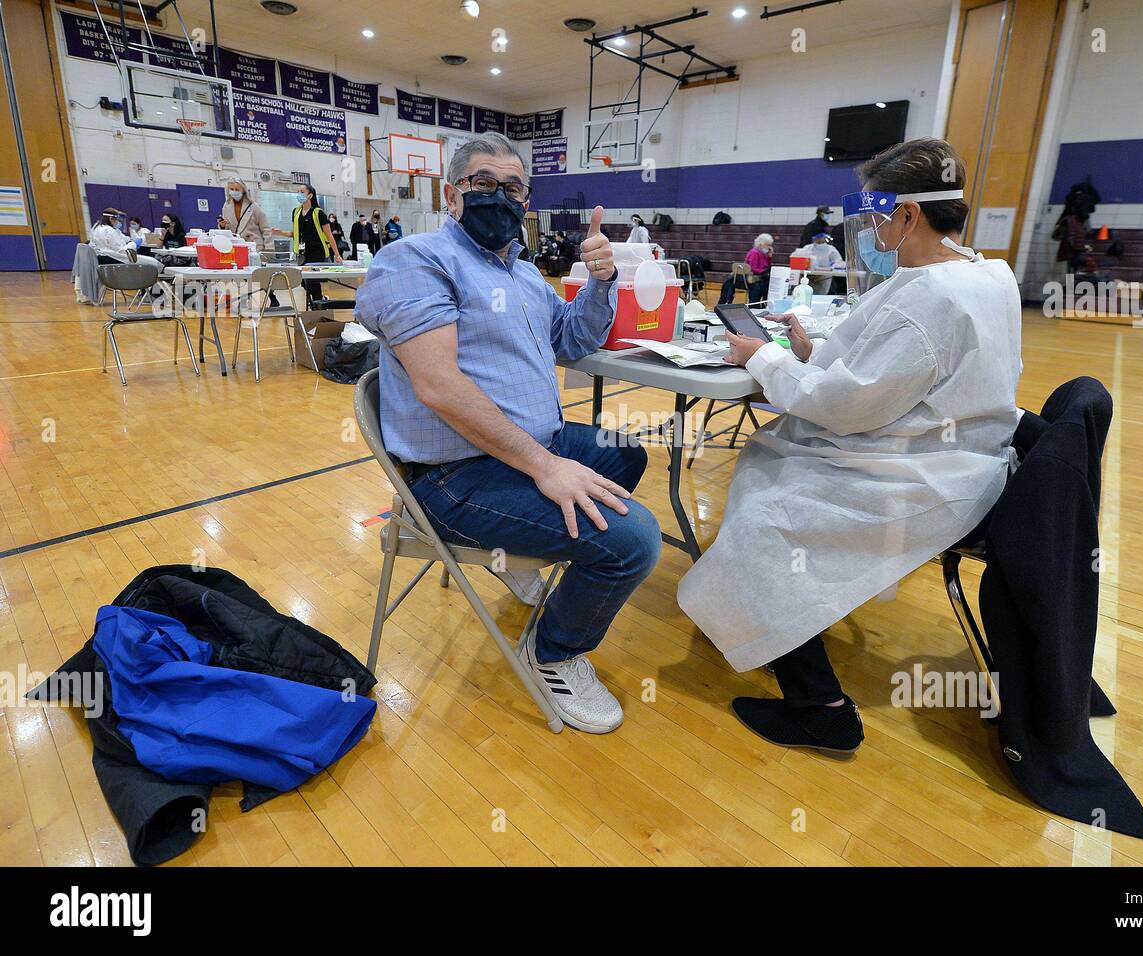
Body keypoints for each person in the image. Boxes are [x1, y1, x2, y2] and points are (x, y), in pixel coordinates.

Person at [677, 138, 1023, 754]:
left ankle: (821, 708)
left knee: (767, 523)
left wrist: (764, 358)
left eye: (876, 217)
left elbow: (847, 404)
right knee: (768, 465)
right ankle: (768, 615)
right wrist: (808, 351)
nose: (870, 230)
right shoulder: (984, 272)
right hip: (953, 449)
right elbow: (887, 367)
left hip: (927, 472)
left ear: (909, 215)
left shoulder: (933, 295)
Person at [354, 133, 661, 735]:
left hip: (528, 448)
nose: (501, 197)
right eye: (484, 185)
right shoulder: (415, 260)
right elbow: (438, 386)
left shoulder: (521, 273)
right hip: (454, 477)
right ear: (451, 195)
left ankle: (521, 555)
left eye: (513, 188)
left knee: (624, 454)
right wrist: (546, 468)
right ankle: (552, 651)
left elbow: (573, 340)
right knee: (633, 541)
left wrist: (600, 282)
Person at [292, 184, 343, 304]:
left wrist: (336, 254)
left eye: (302, 191)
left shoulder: (318, 213)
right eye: (298, 191)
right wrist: (279, 232)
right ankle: (321, 300)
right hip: (302, 250)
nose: (299, 194)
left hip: (317, 250)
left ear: (310, 195)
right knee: (303, 280)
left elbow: (329, 235)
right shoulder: (296, 212)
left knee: (312, 279)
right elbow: (294, 233)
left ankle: (317, 302)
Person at [216, 177, 276, 253]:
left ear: (243, 190)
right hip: (236, 246)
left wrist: (269, 249)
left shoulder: (253, 206)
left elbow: (266, 229)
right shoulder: (226, 206)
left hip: (254, 247)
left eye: (237, 189)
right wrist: (222, 226)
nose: (234, 192)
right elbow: (227, 230)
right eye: (232, 189)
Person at [744, 232, 774, 303]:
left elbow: (767, 265)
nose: (769, 247)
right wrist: (764, 271)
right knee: (762, 284)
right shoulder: (754, 253)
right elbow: (753, 268)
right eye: (768, 245)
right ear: (761, 244)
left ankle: (765, 302)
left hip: (761, 275)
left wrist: (770, 257)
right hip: (753, 276)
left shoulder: (764, 253)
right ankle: (756, 303)